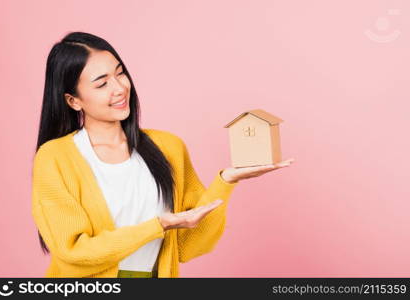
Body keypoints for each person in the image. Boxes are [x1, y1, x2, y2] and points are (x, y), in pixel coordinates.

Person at [31, 31, 294, 278]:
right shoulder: (55, 158)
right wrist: (157, 226)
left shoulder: (168, 147)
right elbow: (74, 252)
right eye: (101, 84)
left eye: (120, 73)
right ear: (73, 101)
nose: (119, 88)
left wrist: (226, 181)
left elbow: (190, 246)